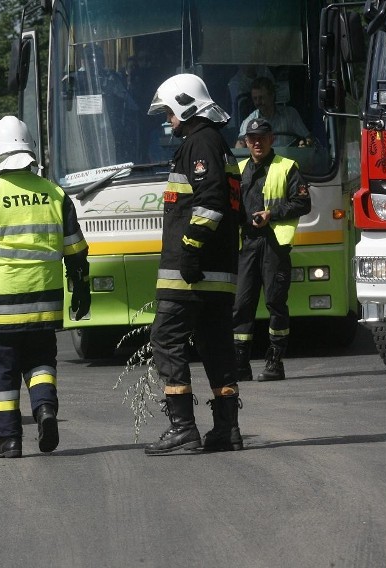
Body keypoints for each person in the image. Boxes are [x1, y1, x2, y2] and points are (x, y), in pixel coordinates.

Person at [0, 115, 90, 459]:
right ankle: (45, 409)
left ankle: (10, 440)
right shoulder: (55, 193)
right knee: (41, 362)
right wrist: (81, 287)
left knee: (0, 373)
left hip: (1, 308)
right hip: (45, 303)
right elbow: (75, 248)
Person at [143, 74, 244, 455]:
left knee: (165, 340)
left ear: (186, 106)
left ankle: (182, 427)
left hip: (191, 275)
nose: (168, 120)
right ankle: (227, 428)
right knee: (216, 346)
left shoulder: (199, 143)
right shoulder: (218, 145)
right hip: (218, 274)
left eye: (169, 112)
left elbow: (211, 201)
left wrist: (188, 250)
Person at [232, 118, 311, 382]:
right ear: (245, 141)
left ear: (271, 139)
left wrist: (271, 214)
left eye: (261, 137)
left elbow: (303, 202)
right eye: (252, 137)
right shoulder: (240, 169)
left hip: (274, 245)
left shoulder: (287, 167)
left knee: (275, 303)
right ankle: (241, 364)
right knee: (241, 305)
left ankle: (275, 363)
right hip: (247, 245)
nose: (256, 142)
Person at [235, 76, 313, 148]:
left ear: (272, 96)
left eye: (261, 98)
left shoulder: (290, 114)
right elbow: (240, 143)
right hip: (263, 162)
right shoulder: (250, 121)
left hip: (288, 160)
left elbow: (307, 138)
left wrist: (305, 145)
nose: (258, 102)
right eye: (255, 99)